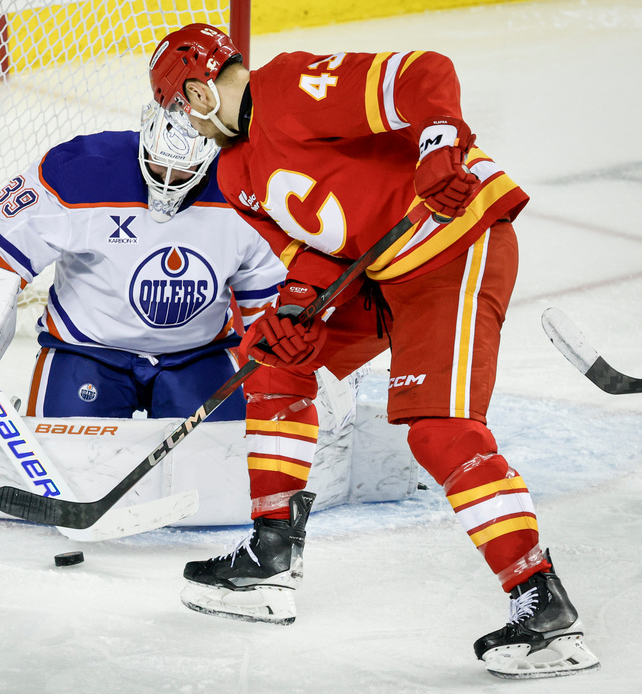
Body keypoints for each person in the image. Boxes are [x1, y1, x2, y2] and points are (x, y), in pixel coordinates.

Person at [148, 24, 599, 677]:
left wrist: (439, 143)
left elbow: (423, 73)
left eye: (176, 109)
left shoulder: (290, 87)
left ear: (195, 92)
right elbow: (308, 258)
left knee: (439, 432)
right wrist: (295, 311)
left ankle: (545, 609)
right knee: (273, 359)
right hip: (383, 273)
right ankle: (270, 563)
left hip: (455, 239)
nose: (181, 125)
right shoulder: (234, 171)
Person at [0, 102, 287, 421]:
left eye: (182, 170)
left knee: (229, 469)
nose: (166, 180)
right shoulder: (82, 170)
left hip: (200, 354)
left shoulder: (247, 187)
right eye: (158, 163)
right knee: (62, 468)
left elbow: (269, 292)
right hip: (87, 350)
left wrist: (285, 368)